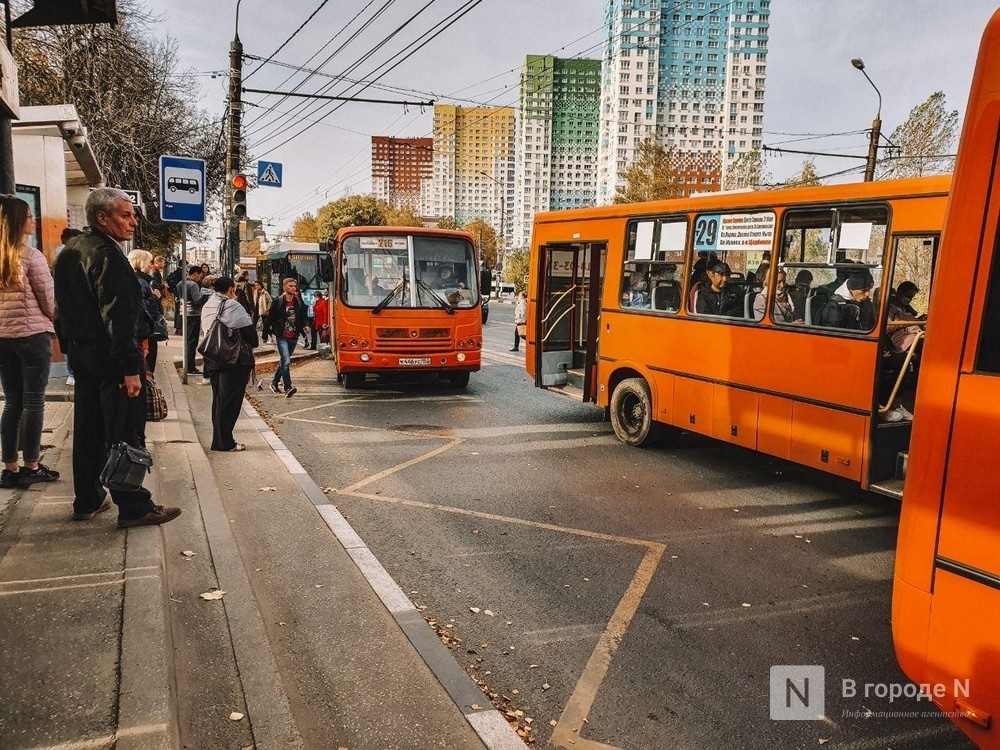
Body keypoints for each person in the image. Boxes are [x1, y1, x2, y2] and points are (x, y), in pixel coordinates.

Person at [53, 187, 180, 527]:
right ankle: (134, 505)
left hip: (83, 355)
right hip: (112, 359)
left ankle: (88, 499)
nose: (133, 222)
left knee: (89, 430)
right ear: (102, 218)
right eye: (125, 215)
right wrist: (130, 369)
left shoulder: (70, 251)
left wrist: (70, 348)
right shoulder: (109, 256)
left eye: (133, 215)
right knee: (124, 434)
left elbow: (60, 310)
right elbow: (119, 318)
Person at [0, 195, 59, 489]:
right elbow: (49, 300)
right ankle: (32, 465)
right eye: (29, 217)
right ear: (17, 223)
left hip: (3, 339)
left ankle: (9, 467)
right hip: (32, 336)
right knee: (34, 401)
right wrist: (55, 320)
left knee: (12, 402)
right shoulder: (30, 256)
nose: (33, 221)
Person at [200, 277, 258, 451]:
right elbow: (251, 336)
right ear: (231, 289)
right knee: (230, 403)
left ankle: (220, 440)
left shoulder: (207, 305)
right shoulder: (233, 306)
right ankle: (225, 442)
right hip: (233, 360)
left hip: (213, 358)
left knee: (219, 401)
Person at [263, 277, 307, 396]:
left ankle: (274, 382)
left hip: (294, 336)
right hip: (281, 335)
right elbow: (270, 318)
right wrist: (264, 334)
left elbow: (303, 316)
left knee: (284, 362)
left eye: (294, 286)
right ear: (284, 287)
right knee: (286, 361)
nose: (293, 288)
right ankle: (288, 387)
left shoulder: (298, 301)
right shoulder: (278, 301)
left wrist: (306, 325)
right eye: (291, 286)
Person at [128, 249, 164, 372]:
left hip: (144, 330)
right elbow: (141, 307)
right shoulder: (141, 282)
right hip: (144, 331)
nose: (151, 265)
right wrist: (155, 297)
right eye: (149, 262)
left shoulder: (139, 280)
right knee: (146, 368)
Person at [176, 265, 205, 375]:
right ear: (196, 274)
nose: (200, 279)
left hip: (183, 313)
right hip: (193, 314)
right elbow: (197, 300)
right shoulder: (193, 285)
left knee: (187, 340)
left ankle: (187, 365)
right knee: (192, 341)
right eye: (200, 276)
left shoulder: (180, 283)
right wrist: (204, 295)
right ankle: (190, 367)